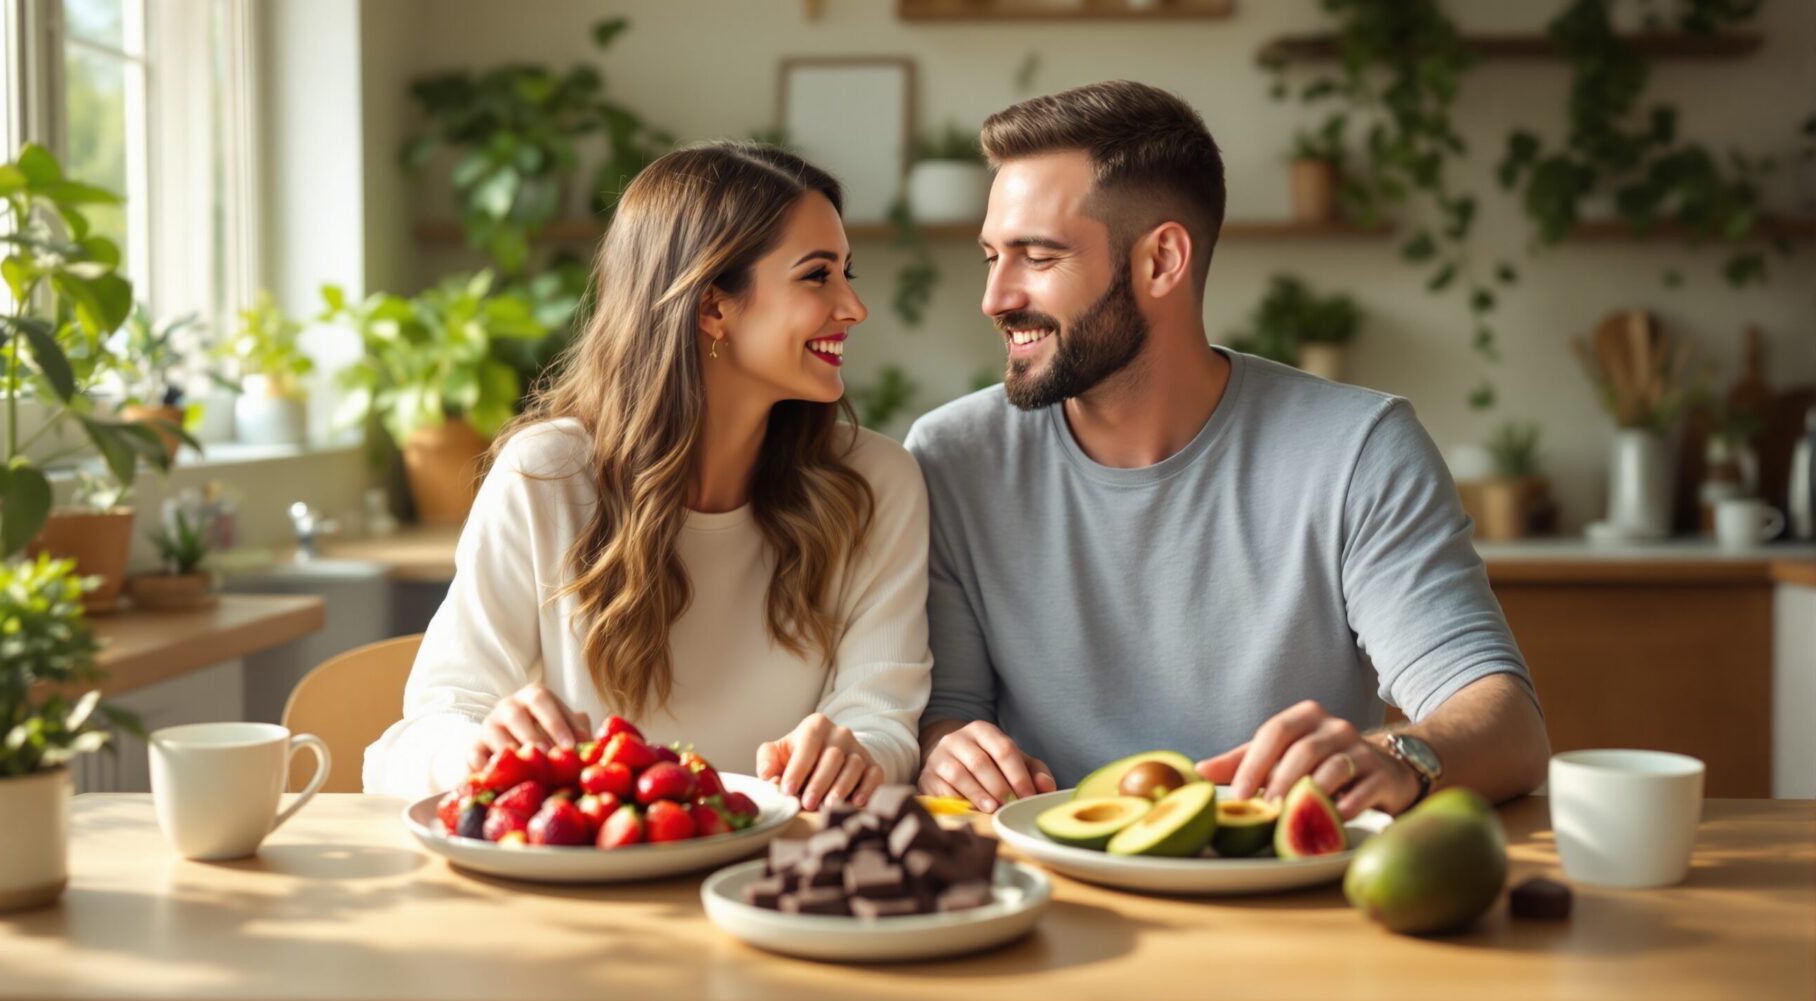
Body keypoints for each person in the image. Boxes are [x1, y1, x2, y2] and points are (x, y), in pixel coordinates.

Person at [908, 81, 1550, 818]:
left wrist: (1395, 755)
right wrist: (946, 748)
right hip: (1045, 889)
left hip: (1287, 893)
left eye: (1036, 257)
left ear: (1161, 261)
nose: (995, 296)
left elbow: (1507, 724)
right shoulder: (954, 458)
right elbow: (950, 709)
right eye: (992, 256)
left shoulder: (1357, 451)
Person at [364, 143, 931, 813]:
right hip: (594, 883)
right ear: (712, 306)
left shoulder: (875, 481)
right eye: (817, 276)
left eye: (846, 273)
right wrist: (479, 749)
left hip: (785, 877)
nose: (853, 307)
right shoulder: (546, 478)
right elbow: (414, 740)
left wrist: (856, 752)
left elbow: (884, 716)